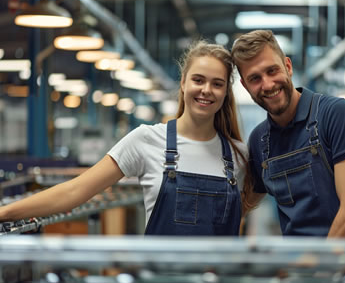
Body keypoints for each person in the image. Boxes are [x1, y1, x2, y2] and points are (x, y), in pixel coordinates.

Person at [0, 40, 248, 236]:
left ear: (226, 92)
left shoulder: (239, 155)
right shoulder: (146, 140)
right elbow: (74, 191)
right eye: (198, 80)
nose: (206, 90)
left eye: (217, 84)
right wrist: (5, 212)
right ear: (183, 83)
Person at [232, 30, 345, 238]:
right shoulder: (259, 140)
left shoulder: (336, 115)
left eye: (272, 70)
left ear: (288, 66)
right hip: (301, 264)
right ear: (245, 86)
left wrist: (319, 266)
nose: (267, 84)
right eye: (255, 78)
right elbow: (244, 202)